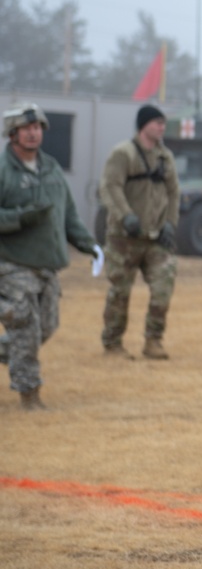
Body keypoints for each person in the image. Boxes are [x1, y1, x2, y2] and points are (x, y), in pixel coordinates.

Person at [1, 102, 101, 409]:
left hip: (47, 264)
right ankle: (29, 395)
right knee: (26, 329)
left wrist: (90, 245)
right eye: (26, 129)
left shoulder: (51, 167)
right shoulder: (3, 171)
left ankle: (10, 350)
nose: (33, 134)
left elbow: (68, 214)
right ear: (12, 133)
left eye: (37, 128)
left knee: (47, 327)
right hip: (12, 264)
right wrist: (20, 217)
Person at [99, 104, 180, 360]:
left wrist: (170, 223)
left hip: (156, 237)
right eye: (157, 122)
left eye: (163, 123)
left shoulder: (165, 157)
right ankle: (112, 343)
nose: (161, 127)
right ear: (143, 125)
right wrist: (126, 216)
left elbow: (174, 192)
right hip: (125, 237)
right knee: (120, 291)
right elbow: (110, 187)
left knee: (163, 286)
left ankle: (153, 340)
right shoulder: (123, 154)